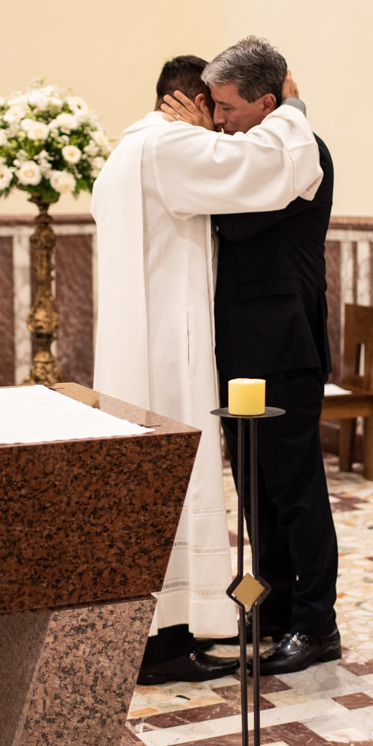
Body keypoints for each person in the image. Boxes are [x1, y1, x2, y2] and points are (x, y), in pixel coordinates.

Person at [92, 51, 324, 684]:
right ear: (194, 104)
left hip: (196, 349)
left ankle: (297, 618)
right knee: (225, 488)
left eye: (229, 110)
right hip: (172, 352)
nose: (221, 127)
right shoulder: (171, 147)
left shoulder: (129, 150)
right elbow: (264, 166)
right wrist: (292, 109)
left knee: (283, 488)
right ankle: (174, 635)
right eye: (214, 110)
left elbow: (271, 172)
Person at [197, 37, 339, 675]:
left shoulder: (301, 155)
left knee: (296, 491)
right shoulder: (250, 153)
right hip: (241, 349)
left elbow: (235, 220)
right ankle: (273, 610)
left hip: (285, 347)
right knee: (255, 490)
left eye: (226, 107)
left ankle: (317, 625)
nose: (218, 119)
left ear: (266, 101)